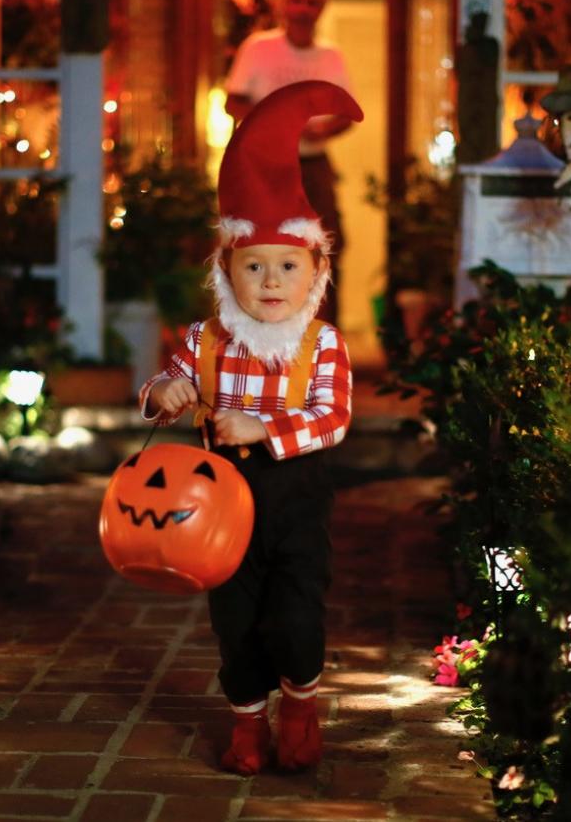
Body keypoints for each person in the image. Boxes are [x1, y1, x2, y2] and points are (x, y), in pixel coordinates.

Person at [139, 81, 362, 775]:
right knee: (235, 624)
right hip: (222, 504)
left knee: (293, 617)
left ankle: (299, 701)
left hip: (294, 498)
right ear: (227, 268)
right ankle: (246, 723)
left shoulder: (321, 344)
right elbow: (159, 391)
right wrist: (167, 392)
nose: (270, 280)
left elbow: (334, 416)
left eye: (287, 265)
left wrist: (263, 428)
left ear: (315, 269)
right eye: (254, 265)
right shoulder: (207, 339)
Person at [224, 0, 355, 326]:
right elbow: (232, 101)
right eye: (296, 0)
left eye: (311, 2)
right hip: (263, 169)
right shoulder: (259, 48)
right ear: (283, 4)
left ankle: (323, 339)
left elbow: (347, 114)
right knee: (255, 247)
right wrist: (272, 122)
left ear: (322, 8)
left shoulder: (331, 56)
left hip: (312, 166)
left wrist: (323, 130)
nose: (302, 9)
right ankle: (251, 337)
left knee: (326, 248)